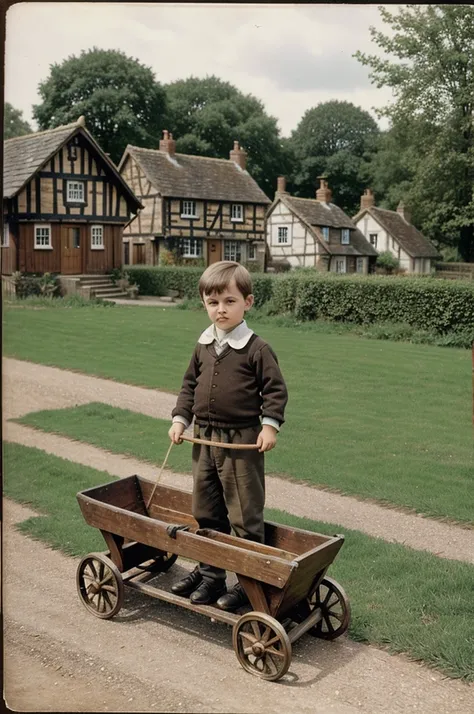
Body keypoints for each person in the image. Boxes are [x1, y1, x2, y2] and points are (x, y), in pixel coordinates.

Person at [168, 260, 288, 611]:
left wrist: (269, 426)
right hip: (204, 439)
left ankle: (248, 585)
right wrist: (180, 420)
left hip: (241, 442)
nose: (221, 309)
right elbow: (189, 386)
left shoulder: (256, 349)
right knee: (206, 510)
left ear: (247, 302)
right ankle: (210, 577)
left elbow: (275, 392)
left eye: (229, 301)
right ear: (204, 304)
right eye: (213, 302)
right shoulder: (203, 345)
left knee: (244, 515)